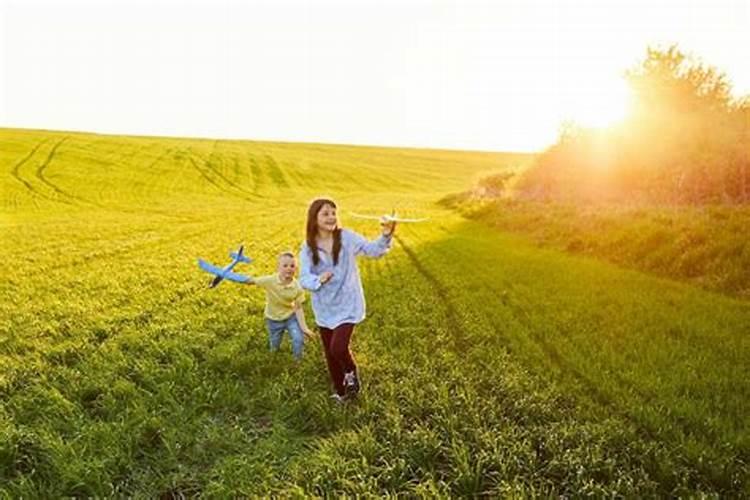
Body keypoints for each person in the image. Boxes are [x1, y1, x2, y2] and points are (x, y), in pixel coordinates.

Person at [299, 198, 396, 402]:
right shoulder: (308, 247)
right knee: (330, 354)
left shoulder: (347, 237)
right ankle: (342, 394)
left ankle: (351, 373)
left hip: (348, 302)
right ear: (314, 218)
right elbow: (304, 278)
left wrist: (386, 235)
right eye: (325, 213)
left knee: (338, 348)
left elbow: (373, 250)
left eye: (334, 213)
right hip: (325, 307)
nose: (331, 217)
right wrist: (318, 279)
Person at [244, 252, 315, 361]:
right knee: (275, 343)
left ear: (296, 269)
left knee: (298, 338)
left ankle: (297, 360)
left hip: (290, 317)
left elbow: (298, 308)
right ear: (278, 268)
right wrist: (231, 276)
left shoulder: (297, 287)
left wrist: (304, 328)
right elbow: (251, 281)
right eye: (285, 265)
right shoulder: (270, 280)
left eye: (292, 266)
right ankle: (273, 356)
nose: (289, 268)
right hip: (273, 319)